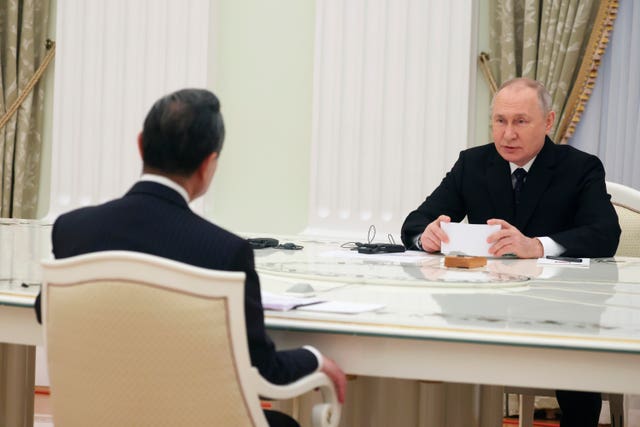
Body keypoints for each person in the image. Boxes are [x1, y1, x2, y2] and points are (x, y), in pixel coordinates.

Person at [35, 88, 346, 427]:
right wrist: (314, 358)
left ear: (140, 144)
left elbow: (46, 311)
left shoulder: (73, 229)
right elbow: (261, 370)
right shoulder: (224, 251)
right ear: (208, 164)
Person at [401, 78, 620, 427]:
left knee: (577, 360)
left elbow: (605, 234)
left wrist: (537, 246)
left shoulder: (579, 167)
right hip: (483, 307)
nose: (507, 134)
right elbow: (415, 223)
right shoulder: (473, 163)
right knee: (428, 345)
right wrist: (425, 236)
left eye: (520, 121)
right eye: (500, 121)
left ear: (547, 122)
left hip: (561, 305)